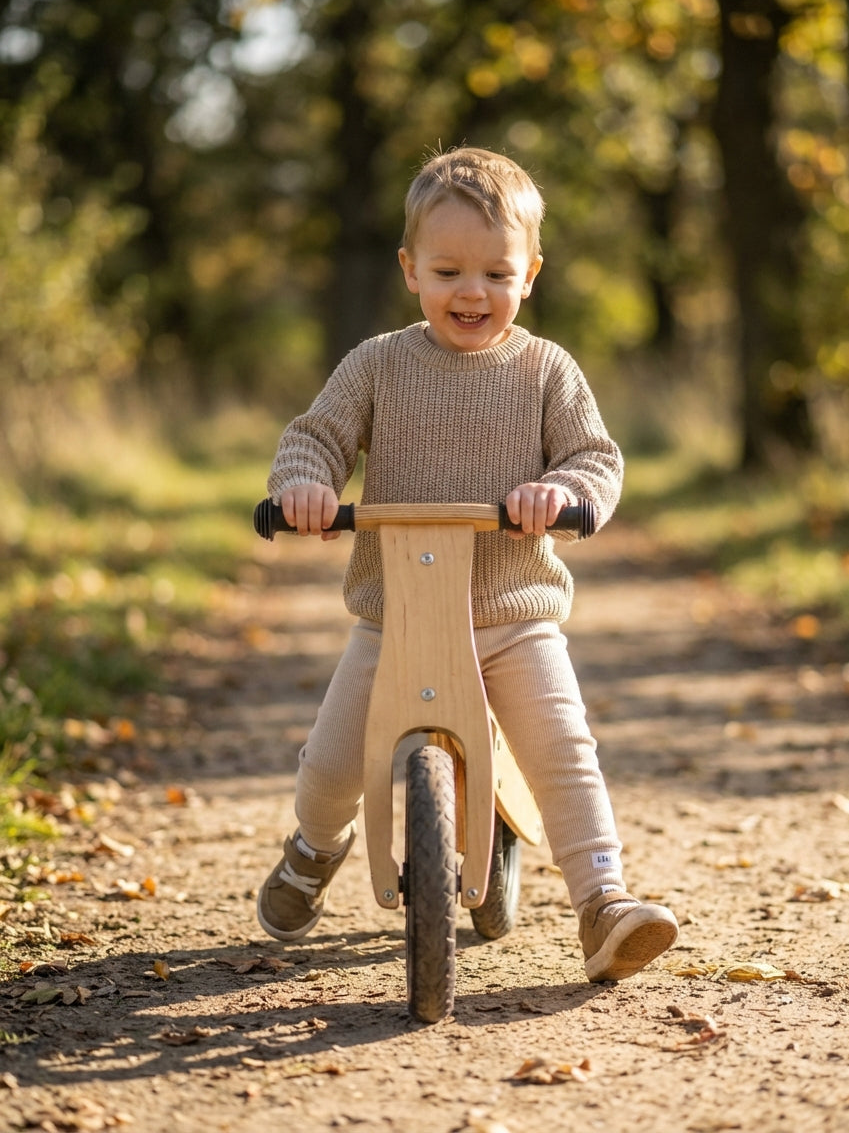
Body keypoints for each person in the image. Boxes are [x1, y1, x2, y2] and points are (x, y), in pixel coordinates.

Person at [257, 146, 678, 982]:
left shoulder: (546, 370)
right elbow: (316, 436)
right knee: (335, 763)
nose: (472, 291)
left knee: (563, 747)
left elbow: (596, 457)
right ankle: (314, 847)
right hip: (397, 617)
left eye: (495, 272)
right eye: (448, 269)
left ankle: (603, 901)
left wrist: (560, 493)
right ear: (411, 269)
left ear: (531, 275)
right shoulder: (378, 364)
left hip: (514, 615)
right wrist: (305, 485)